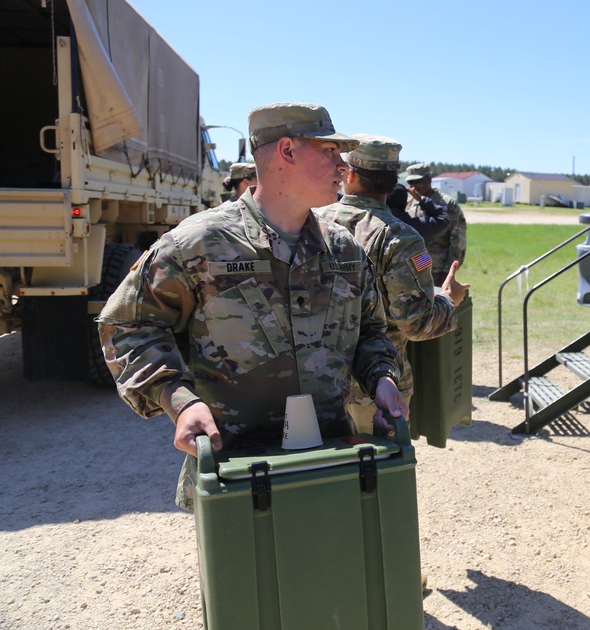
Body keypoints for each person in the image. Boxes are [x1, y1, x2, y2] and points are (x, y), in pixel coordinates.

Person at [97, 102, 407, 509]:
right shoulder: (199, 244)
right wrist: (179, 400)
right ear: (287, 151)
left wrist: (382, 379)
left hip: (330, 457)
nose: (343, 165)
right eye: (330, 151)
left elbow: (370, 330)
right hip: (236, 470)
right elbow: (128, 324)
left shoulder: (343, 248)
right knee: (252, 570)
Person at [326, 135, 469, 432]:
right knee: (379, 474)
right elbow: (416, 324)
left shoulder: (312, 221)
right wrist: (447, 299)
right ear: (393, 183)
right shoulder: (400, 237)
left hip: (319, 384)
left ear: (349, 174)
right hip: (379, 389)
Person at [404, 163, 467, 287]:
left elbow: (458, 243)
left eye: (418, 181)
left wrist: (448, 274)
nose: (414, 186)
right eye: (411, 183)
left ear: (429, 180)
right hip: (413, 271)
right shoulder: (409, 203)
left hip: (438, 270)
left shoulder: (447, 204)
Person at [386, 180, 451, 239]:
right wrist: (421, 199)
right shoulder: (412, 226)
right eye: (410, 182)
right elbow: (443, 220)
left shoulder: (379, 222)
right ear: (405, 203)